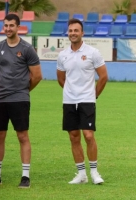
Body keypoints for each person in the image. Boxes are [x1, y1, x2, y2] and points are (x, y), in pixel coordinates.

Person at [0, 14, 42, 188]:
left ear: (18, 27)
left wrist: (22, 90)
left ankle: (25, 176)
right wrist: (4, 86)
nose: (8, 28)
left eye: (12, 25)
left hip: (20, 99)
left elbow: (37, 76)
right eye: (6, 25)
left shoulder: (27, 49)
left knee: (22, 136)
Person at [56, 18, 108, 185]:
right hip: (69, 100)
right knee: (73, 136)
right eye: (70, 31)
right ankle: (81, 174)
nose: (73, 33)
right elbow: (60, 78)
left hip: (87, 100)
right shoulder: (62, 55)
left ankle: (94, 172)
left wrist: (94, 95)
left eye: (76, 31)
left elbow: (103, 77)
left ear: (82, 33)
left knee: (88, 135)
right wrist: (71, 92)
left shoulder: (93, 52)